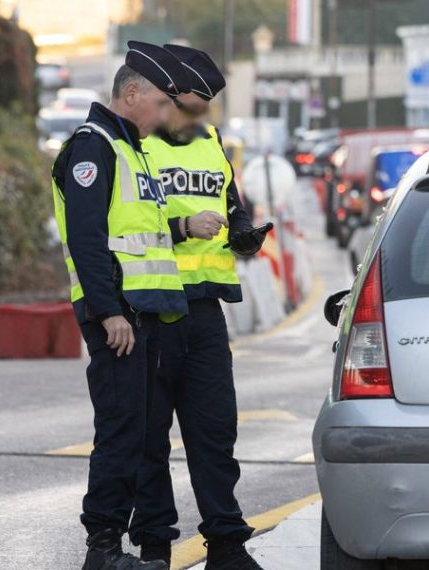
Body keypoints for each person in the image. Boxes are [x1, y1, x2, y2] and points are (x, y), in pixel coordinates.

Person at [51, 41, 193, 570]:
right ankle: (103, 550)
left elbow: (138, 235)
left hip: (140, 313)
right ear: (131, 93)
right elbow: (87, 240)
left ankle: (120, 546)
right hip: (117, 316)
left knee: (139, 432)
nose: (165, 115)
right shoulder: (94, 147)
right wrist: (109, 311)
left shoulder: (130, 148)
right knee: (120, 431)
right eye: (160, 103)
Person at [127, 44, 267, 570]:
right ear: (168, 97)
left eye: (205, 110)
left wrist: (244, 234)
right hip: (152, 308)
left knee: (215, 432)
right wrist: (182, 228)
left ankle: (227, 545)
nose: (199, 119)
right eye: (190, 108)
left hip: (206, 310)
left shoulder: (210, 142)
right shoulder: (136, 146)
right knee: (149, 438)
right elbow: (123, 226)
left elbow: (232, 205)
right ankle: (154, 546)